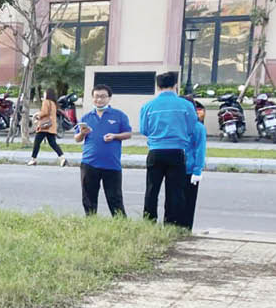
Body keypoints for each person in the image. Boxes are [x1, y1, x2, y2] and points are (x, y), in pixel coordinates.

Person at [140, 71, 201, 227]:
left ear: (157, 86)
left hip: (155, 152)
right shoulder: (186, 105)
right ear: (176, 85)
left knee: (152, 190)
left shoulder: (148, 106)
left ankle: (149, 222)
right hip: (177, 152)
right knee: (175, 191)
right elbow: (191, 127)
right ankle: (171, 224)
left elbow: (144, 130)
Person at [73, 84, 131, 216]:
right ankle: (91, 223)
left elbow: (128, 133)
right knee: (89, 199)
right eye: (96, 97)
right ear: (92, 98)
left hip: (111, 164)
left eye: (103, 96)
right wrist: (83, 133)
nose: (99, 100)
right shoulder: (86, 117)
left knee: (115, 198)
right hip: (89, 163)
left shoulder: (119, 115)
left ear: (109, 98)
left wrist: (115, 136)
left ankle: (121, 225)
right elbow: (77, 138)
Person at [183, 99, 208, 231]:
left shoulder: (197, 127)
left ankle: (186, 229)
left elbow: (200, 149)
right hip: (174, 168)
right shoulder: (176, 124)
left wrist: (197, 170)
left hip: (189, 170)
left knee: (188, 202)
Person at [27, 89, 68, 166]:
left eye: (45, 93)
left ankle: (33, 159)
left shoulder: (46, 102)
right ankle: (62, 158)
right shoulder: (53, 103)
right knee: (53, 143)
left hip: (44, 126)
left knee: (37, 142)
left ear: (48, 94)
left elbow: (45, 112)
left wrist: (38, 116)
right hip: (51, 126)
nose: (44, 94)